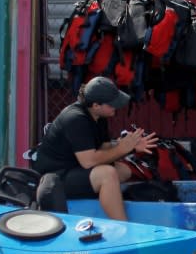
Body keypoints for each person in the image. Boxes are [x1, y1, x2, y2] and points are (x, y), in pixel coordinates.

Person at [32, 76, 157, 220]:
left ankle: (103, 200)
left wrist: (130, 147)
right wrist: (122, 149)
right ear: (96, 105)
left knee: (123, 171)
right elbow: (89, 161)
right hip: (54, 179)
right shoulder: (75, 119)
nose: (115, 107)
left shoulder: (99, 116)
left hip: (75, 168)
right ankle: (122, 225)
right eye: (111, 104)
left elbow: (105, 151)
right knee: (107, 174)